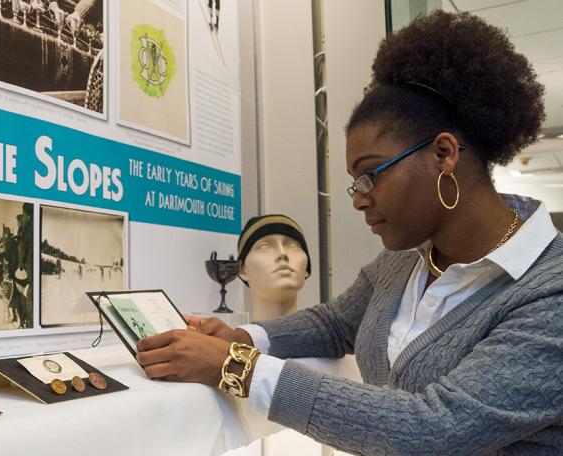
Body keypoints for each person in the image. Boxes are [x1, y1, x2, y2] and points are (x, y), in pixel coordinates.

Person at [136, 10, 562, 455]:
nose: (359, 198)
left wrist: (237, 367)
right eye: (355, 183)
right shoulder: (407, 260)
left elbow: (432, 429)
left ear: (443, 153)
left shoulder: (550, 293)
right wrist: (241, 337)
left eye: (369, 175)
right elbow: (335, 323)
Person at [237, 215, 311, 320]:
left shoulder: (331, 334)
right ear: (242, 270)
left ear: (306, 269)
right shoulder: (231, 336)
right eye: (264, 246)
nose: (282, 253)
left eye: (292, 245)